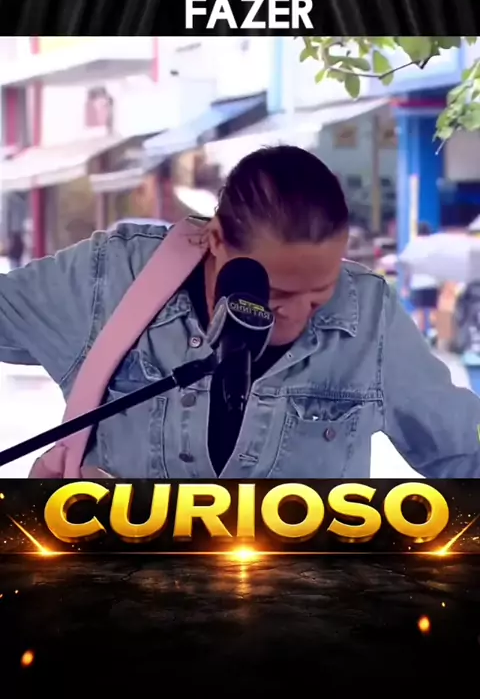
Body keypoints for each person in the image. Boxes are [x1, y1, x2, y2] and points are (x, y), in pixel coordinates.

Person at [2, 145, 480, 479]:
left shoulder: (371, 315)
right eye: (276, 294)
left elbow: (462, 449)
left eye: (320, 294)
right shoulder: (111, 275)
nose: (298, 315)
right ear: (216, 240)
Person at [403, 222, 439, 343]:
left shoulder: (412, 245)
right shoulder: (434, 245)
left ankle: (422, 336)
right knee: (433, 309)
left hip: (417, 283)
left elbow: (408, 268)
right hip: (433, 282)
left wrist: (405, 286)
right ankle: (434, 332)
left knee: (420, 310)